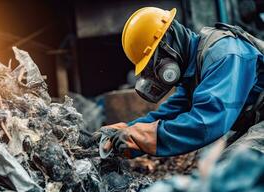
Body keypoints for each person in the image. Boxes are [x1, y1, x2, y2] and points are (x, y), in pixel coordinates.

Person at [95, 7, 264, 158]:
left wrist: (141, 136)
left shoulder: (223, 55)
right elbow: (171, 113)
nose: (155, 74)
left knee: (235, 167)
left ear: (168, 42)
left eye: (152, 64)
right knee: (211, 165)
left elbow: (206, 122)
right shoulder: (194, 69)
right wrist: (125, 130)